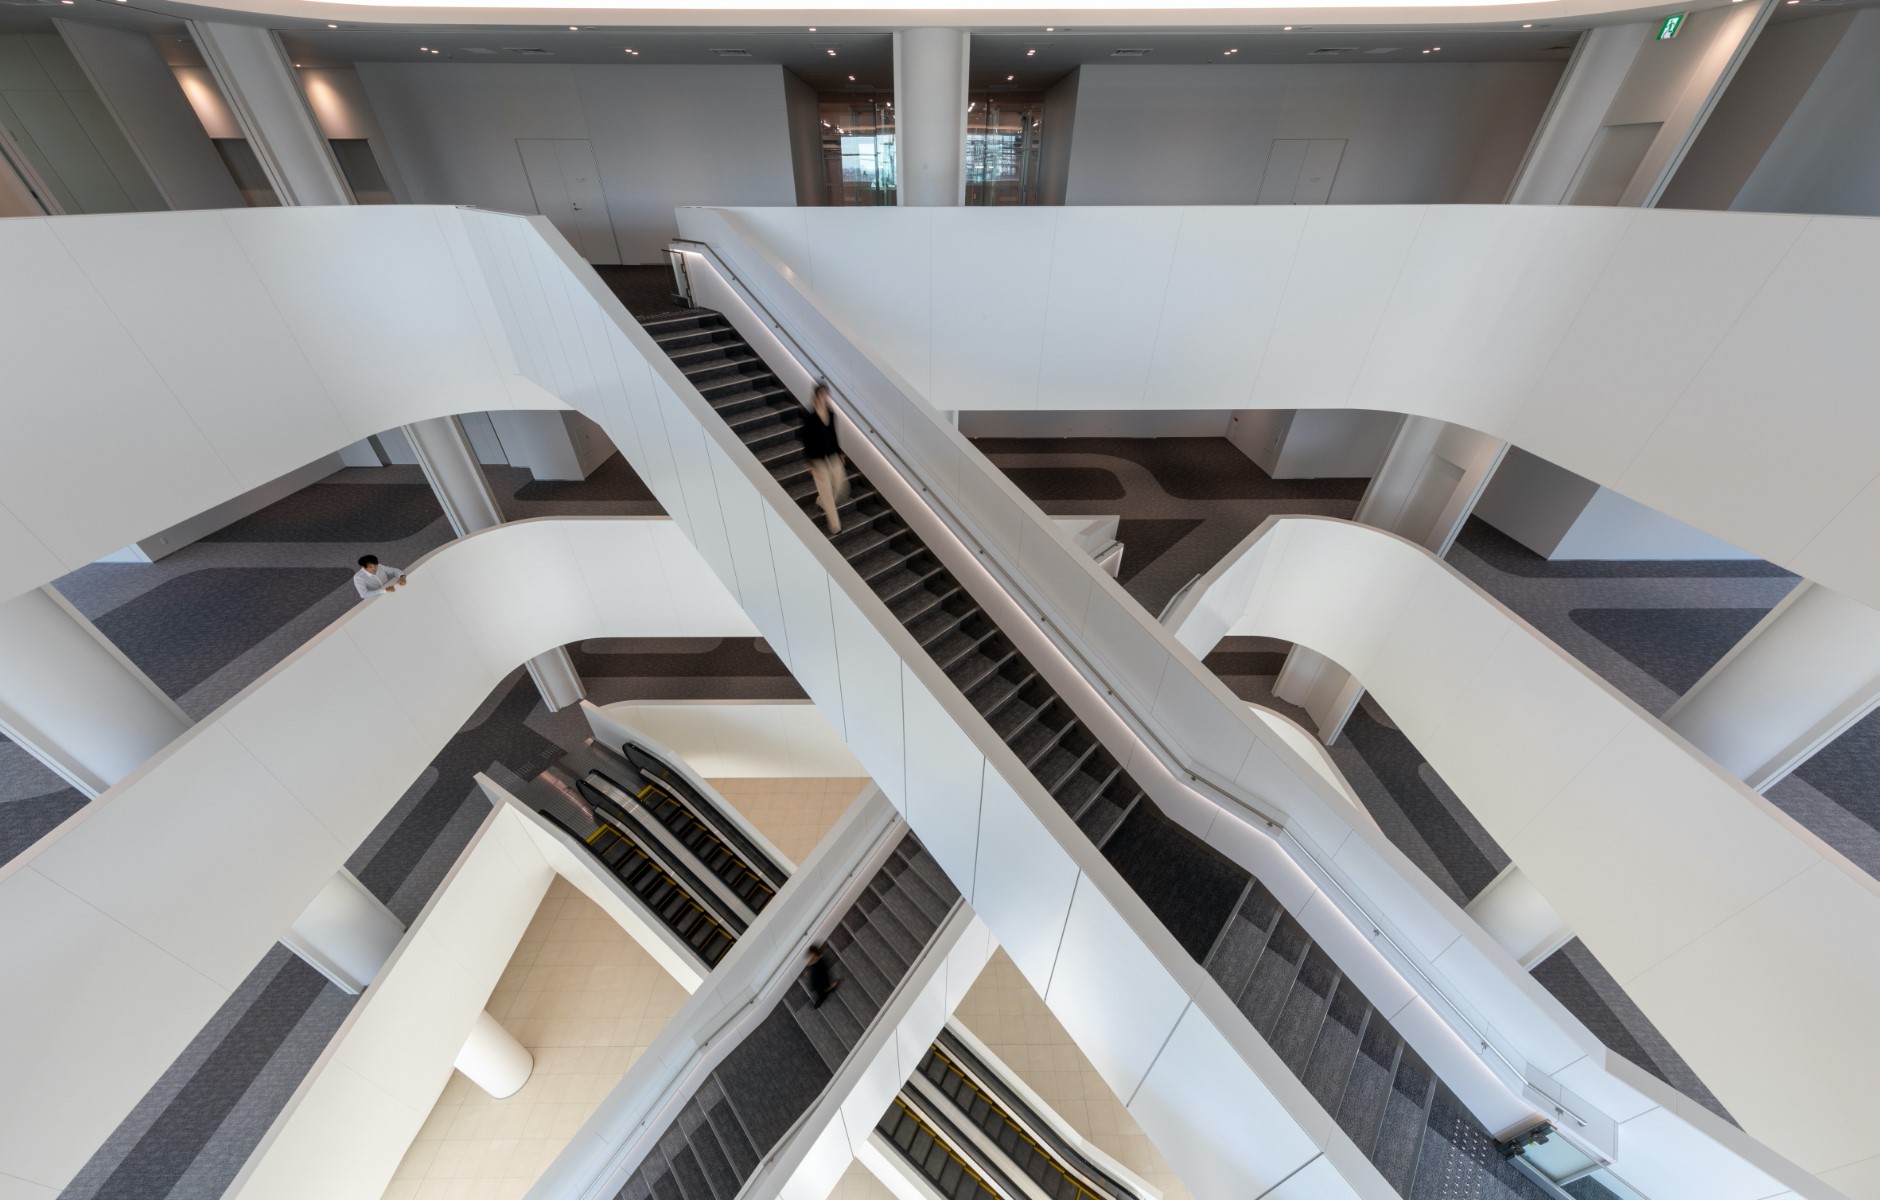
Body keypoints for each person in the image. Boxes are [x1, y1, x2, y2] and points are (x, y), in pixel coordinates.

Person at [798, 384, 850, 534]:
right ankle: (835, 525)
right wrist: (808, 461)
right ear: (817, 396)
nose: (826, 397)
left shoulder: (831, 414)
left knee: (841, 486)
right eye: (823, 395)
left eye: (827, 395)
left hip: (832, 455)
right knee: (826, 492)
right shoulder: (809, 416)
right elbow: (805, 439)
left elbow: (834, 435)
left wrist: (840, 453)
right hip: (817, 459)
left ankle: (820, 501)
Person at [806, 943, 841, 1009]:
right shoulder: (817, 962)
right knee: (823, 991)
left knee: (823, 991)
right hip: (820, 980)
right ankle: (829, 990)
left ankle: (828, 990)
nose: (811, 958)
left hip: (820, 980)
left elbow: (821, 973)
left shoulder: (819, 962)